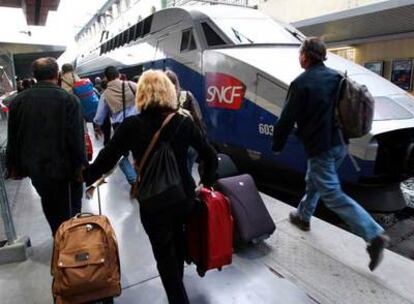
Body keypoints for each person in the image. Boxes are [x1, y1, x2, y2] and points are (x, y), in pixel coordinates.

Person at [83, 70, 217, 304]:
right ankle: (178, 282)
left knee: (164, 252)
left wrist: (85, 177)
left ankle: (178, 297)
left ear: (141, 94)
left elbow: (108, 157)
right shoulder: (183, 121)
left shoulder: (132, 125)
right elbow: (210, 156)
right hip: (184, 197)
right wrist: (207, 182)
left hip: (153, 202)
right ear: (168, 92)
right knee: (177, 241)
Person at [272, 37, 389, 271]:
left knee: (332, 193)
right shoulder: (337, 77)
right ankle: (303, 217)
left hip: (321, 147)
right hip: (340, 146)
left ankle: (373, 235)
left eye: (300, 54)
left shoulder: (301, 83)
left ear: (305, 56)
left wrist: (277, 143)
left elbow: (286, 120)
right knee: (314, 179)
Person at [6, 57, 86, 236]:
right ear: (57, 74)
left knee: (50, 204)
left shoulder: (18, 102)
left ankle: (59, 237)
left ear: (34, 76)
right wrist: (80, 166)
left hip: (36, 168)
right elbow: (76, 137)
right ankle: (72, 242)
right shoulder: (69, 99)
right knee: (72, 206)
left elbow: (13, 136)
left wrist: (13, 166)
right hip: (66, 168)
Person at [93, 66, 137, 184]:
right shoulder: (132, 85)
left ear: (106, 78)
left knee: (120, 156)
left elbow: (99, 116)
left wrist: (97, 127)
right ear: (119, 74)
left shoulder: (105, 94)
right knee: (141, 152)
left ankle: (134, 180)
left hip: (121, 128)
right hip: (138, 124)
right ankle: (145, 178)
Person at [165, 69, 206, 173]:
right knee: (188, 172)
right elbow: (198, 118)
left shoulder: (163, 100)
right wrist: (203, 140)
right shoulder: (187, 95)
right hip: (192, 143)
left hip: (176, 146)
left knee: (178, 174)